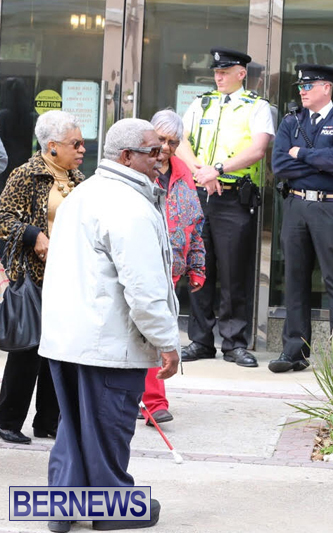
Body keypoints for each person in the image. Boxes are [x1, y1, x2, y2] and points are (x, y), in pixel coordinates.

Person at [40, 118, 179, 533]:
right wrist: (166, 342)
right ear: (127, 157)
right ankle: (112, 508)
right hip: (106, 342)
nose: (161, 157)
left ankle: (62, 507)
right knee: (108, 427)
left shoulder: (83, 194)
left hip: (69, 338)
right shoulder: (128, 206)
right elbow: (144, 290)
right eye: (153, 151)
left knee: (73, 426)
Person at [176, 47, 273, 368]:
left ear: (241, 74)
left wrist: (217, 170)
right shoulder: (202, 103)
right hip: (201, 194)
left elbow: (258, 149)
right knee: (199, 268)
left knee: (234, 272)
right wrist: (201, 172)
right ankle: (200, 340)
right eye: (216, 72)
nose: (218, 77)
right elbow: (179, 141)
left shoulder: (256, 107)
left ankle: (234, 343)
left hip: (233, 197)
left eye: (224, 72)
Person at [269, 63, 333, 373]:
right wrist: (319, 162)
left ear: (327, 88)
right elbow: (280, 165)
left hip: (331, 207)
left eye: (308, 85)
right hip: (296, 205)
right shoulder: (291, 121)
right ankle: (294, 351)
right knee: (294, 279)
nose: (302, 91)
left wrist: (301, 154)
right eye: (300, 86)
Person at [0, 110, 86, 444]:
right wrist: (34, 235)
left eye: (81, 143)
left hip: (69, 277)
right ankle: (7, 420)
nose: (81, 149)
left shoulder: (78, 178)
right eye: (75, 143)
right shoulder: (26, 174)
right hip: (35, 277)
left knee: (61, 352)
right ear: (52, 145)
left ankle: (48, 421)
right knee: (28, 350)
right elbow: (3, 216)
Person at [136, 109, 206, 426]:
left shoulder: (182, 171)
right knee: (151, 331)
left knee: (156, 331)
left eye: (173, 142)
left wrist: (197, 266)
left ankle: (149, 401)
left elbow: (195, 222)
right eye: (161, 139)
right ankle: (152, 401)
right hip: (140, 261)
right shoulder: (136, 168)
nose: (166, 147)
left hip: (171, 268)